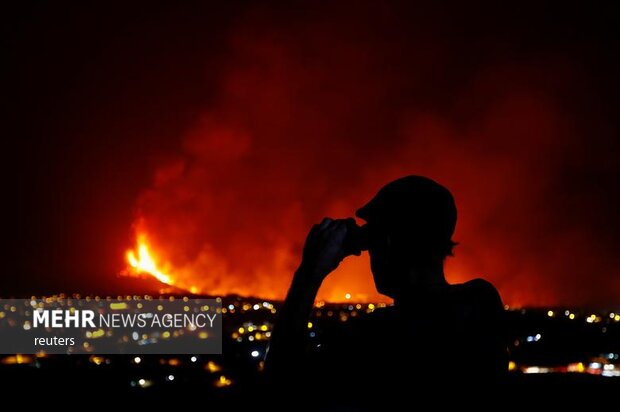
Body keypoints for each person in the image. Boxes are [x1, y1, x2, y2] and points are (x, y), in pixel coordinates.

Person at [265, 175, 506, 406]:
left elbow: (282, 382)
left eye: (373, 244)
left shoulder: (371, 337)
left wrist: (310, 271)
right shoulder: (481, 301)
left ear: (387, 243)